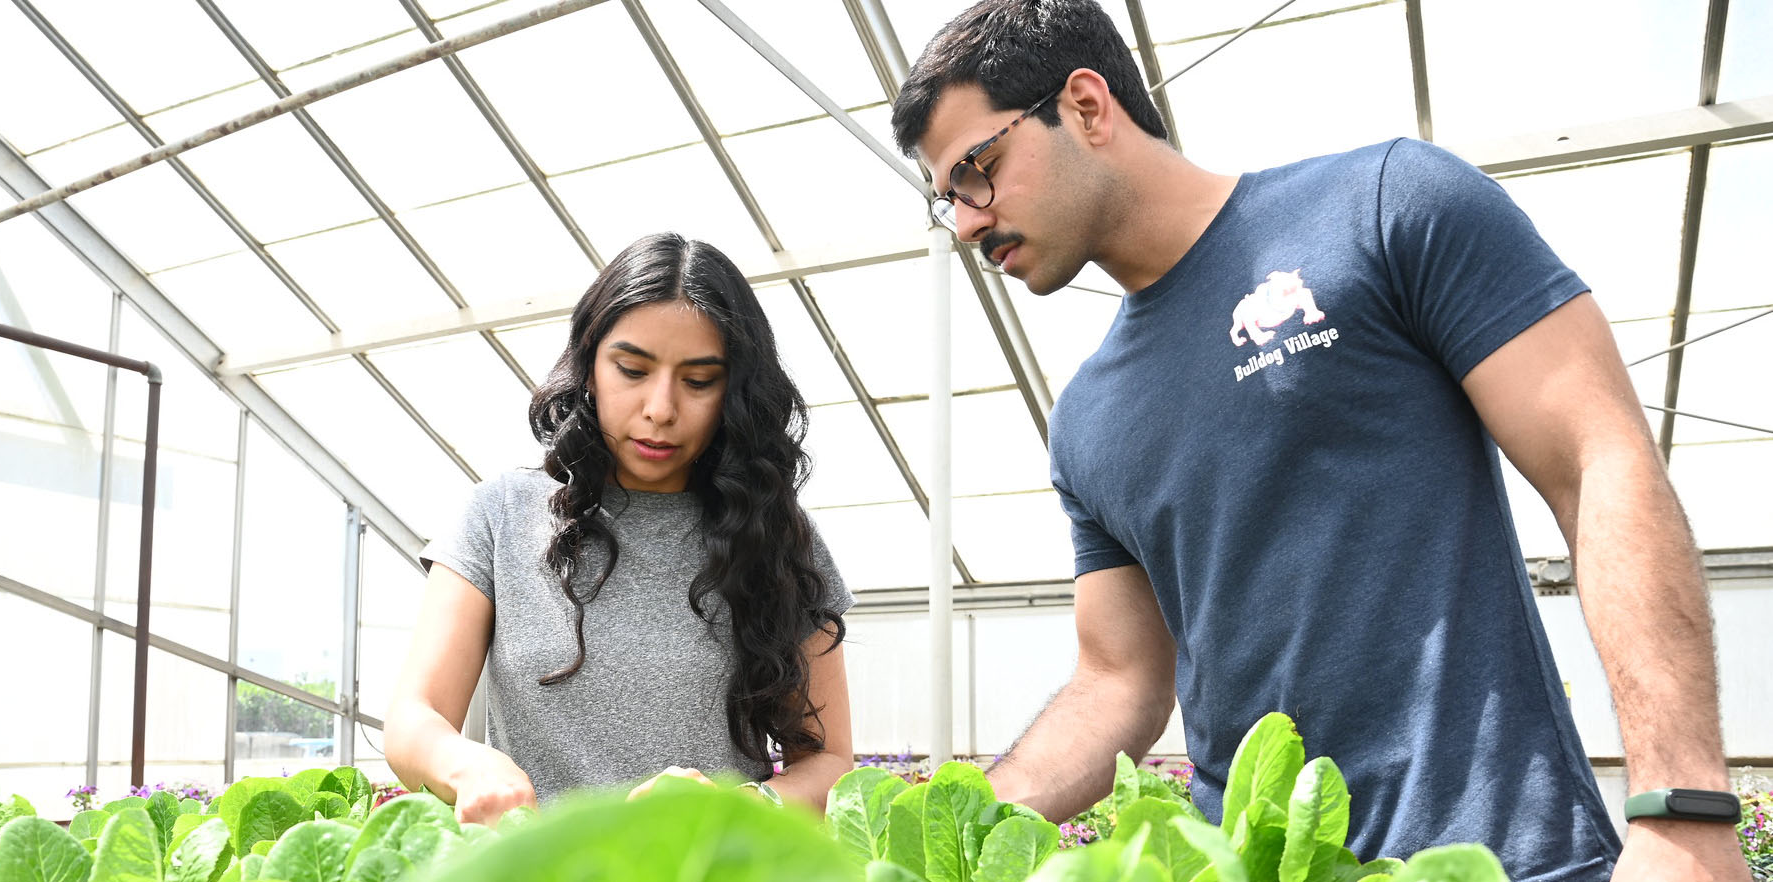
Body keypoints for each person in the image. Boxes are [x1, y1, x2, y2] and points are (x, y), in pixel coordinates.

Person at [888, 2, 1745, 880]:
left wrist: (1685, 809)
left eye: (977, 170)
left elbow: (1597, 461)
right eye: (946, 196)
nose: (965, 222)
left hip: (1496, 858)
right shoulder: (1086, 420)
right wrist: (954, 825)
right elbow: (1119, 681)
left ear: (1086, 105)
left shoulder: (1383, 206)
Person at [384, 233, 856, 823]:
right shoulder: (501, 513)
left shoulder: (778, 535)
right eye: (632, 369)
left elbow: (832, 761)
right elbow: (414, 717)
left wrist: (739, 808)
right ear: (588, 367)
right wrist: (468, 765)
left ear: (734, 392)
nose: (660, 408)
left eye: (699, 380)